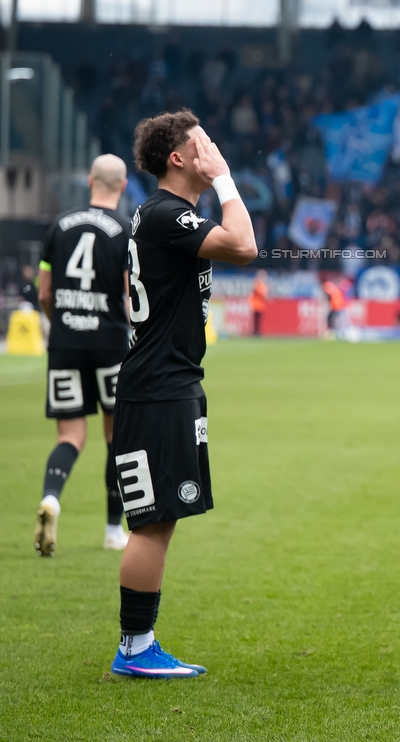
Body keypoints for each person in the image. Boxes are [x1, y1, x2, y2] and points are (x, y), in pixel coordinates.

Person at [111, 109, 256, 679]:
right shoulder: (169, 215)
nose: (213, 149)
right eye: (204, 144)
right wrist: (225, 180)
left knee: (159, 518)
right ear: (179, 158)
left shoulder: (162, 216)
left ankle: (138, 644)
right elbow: (245, 246)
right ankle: (135, 648)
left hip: (165, 382)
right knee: (151, 520)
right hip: (158, 388)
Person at [34, 155, 131, 557]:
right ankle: (112, 530)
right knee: (116, 438)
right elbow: (128, 298)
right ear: (122, 187)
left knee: (70, 436)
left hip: (65, 343)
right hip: (110, 343)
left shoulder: (58, 227)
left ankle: (52, 499)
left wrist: (62, 324)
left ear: (90, 182)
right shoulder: (126, 232)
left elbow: (43, 292)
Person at [249, 269, 269, 336]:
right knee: (256, 320)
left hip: (260, 305)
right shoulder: (257, 284)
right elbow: (263, 294)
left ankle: (257, 332)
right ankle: (256, 332)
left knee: (258, 319)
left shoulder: (262, 285)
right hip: (256, 305)